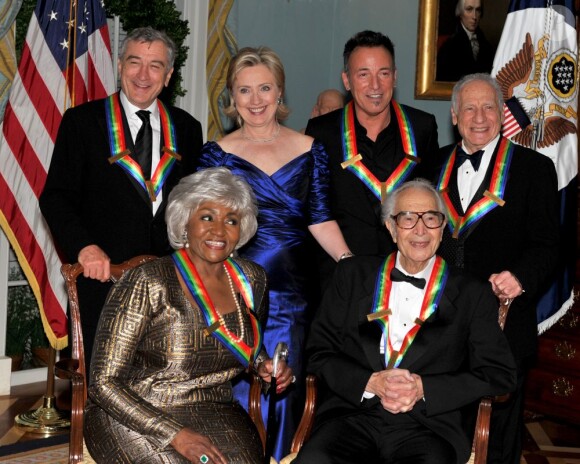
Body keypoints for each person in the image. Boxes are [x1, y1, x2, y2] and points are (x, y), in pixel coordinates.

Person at [198, 46, 352, 461]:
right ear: (232, 96)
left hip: (292, 297)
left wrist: (352, 266)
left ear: (280, 92)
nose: (255, 99)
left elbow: (321, 220)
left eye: (264, 88)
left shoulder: (310, 148)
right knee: (236, 390)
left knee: (285, 391)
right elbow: (202, 229)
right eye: (244, 90)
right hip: (232, 292)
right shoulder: (216, 154)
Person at [295, 179, 516, 464]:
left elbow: (500, 374)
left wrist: (425, 388)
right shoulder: (352, 275)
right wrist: (370, 382)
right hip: (353, 416)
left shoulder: (472, 293)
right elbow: (318, 352)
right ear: (391, 227)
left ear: (442, 227)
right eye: (408, 218)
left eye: (431, 218)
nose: (420, 230)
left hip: (428, 427)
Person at [84, 168, 293, 464]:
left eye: (231, 220)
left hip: (216, 408)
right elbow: (103, 384)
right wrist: (176, 434)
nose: (219, 231)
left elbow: (245, 343)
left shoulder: (252, 280)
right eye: (207, 217)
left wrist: (264, 365)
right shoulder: (148, 281)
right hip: (134, 411)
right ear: (185, 222)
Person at [39, 27, 202, 369]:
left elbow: (193, 205)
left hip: (168, 288)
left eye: (155, 65)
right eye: (134, 62)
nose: (143, 75)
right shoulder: (83, 122)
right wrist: (84, 247)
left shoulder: (187, 128)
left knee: (162, 387)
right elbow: (55, 198)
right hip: (101, 284)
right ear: (120, 67)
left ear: (169, 75)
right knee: (101, 388)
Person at [435, 73, 559, 463]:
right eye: (469, 108)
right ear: (454, 115)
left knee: (498, 438)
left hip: (503, 327)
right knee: (440, 431)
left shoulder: (534, 169)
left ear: (502, 113)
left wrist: (520, 278)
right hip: (438, 330)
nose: (479, 117)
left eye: (488, 106)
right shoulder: (431, 164)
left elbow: (548, 245)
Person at [305, 30, 439, 284]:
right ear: (347, 80)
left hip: (408, 277)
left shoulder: (422, 127)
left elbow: (432, 201)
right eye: (363, 74)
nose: (375, 86)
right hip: (340, 277)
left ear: (395, 77)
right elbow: (315, 209)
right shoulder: (322, 133)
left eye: (384, 73)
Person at [436, 0, 495, 81]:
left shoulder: (487, 47)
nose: (474, 16)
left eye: (477, 10)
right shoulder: (449, 46)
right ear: (460, 13)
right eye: (469, 9)